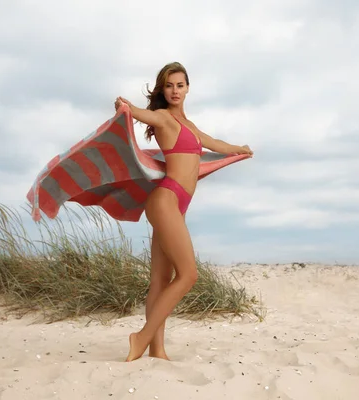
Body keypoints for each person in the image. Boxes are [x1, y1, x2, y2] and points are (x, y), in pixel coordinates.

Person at [114, 62, 253, 362]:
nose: (175, 90)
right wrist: (126, 106)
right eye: (169, 85)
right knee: (188, 275)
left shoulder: (191, 126)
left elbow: (214, 143)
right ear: (163, 90)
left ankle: (156, 350)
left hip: (177, 205)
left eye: (180, 85)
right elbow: (142, 114)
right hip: (165, 200)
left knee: (160, 280)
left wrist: (239, 149)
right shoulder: (163, 118)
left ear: (188, 88)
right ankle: (141, 337)